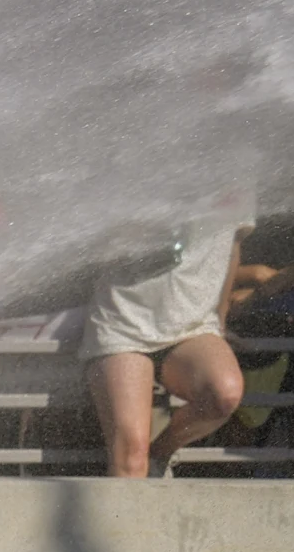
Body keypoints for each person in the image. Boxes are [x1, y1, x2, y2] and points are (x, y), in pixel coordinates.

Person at [87, 183, 253, 478]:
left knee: (224, 395)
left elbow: (232, 248)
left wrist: (220, 321)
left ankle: (160, 453)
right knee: (131, 456)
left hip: (194, 325)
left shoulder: (239, 166)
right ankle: (136, 490)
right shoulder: (138, 161)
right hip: (124, 318)